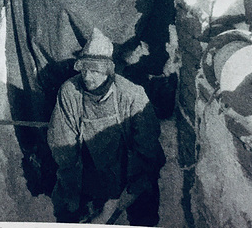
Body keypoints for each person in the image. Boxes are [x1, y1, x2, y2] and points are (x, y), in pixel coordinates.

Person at [47, 28, 166, 225]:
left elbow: (147, 148)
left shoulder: (131, 95)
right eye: (84, 69)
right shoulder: (70, 92)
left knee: (144, 211)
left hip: (130, 170)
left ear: (108, 71)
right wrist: (73, 193)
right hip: (91, 171)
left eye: (94, 70)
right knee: (71, 212)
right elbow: (63, 145)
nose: (87, 76)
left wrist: (127, 194)